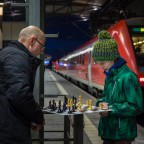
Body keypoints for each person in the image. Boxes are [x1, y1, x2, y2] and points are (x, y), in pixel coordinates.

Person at [92, 30, 144, 144]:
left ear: (113, 58)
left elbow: (136, 106)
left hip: (122, 135)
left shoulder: (128, 77)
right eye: (98, 63)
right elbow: (105, 97)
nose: (101, 67)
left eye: (103, 63)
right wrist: (100, 104)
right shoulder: (110, 76)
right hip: (108, 131)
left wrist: (110, 110)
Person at [0, 25, 45, 144]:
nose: (41, 51)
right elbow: (19, 93)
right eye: (41, 46)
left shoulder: (8, 53)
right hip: (9, 132)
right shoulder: (17, 56)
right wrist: (38, 116)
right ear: (32, 40)